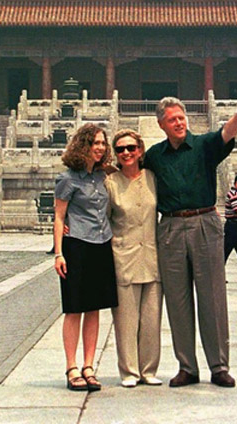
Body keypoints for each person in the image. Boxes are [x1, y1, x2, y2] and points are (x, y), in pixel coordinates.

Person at [143, 94, 237, 389]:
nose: (179, 123)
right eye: (172, 119)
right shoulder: (155, 156)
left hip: (205, 222)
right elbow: (130, 168)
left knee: (212, 297)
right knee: (178, 300)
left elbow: (226, 133)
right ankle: (187, 366)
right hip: (170, 226)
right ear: (162, 125)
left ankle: (219, 365)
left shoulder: (203, 147)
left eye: (181, 117)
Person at [53, 123, 118, 392]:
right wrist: (58, 253)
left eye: (103, 143)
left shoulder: (104, 176)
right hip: (76, 245)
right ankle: (71, 366)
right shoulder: (68, 178)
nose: (100, 147)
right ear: (83, 145)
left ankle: (89, 366)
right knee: (74, 308)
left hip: (102, 243)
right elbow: (58, 216)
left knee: (94, 307)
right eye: (95, 143)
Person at [104, 129, 163, 388]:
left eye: (131, 148)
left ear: (140, 150)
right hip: (123, 256)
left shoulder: (153, 178)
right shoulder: (110, 183)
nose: (126, 153)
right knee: (126, 321)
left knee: (151, 319)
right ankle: (129, 371)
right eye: (120, 149)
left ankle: (149, 369)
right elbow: (102, 220)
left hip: (152, 255)